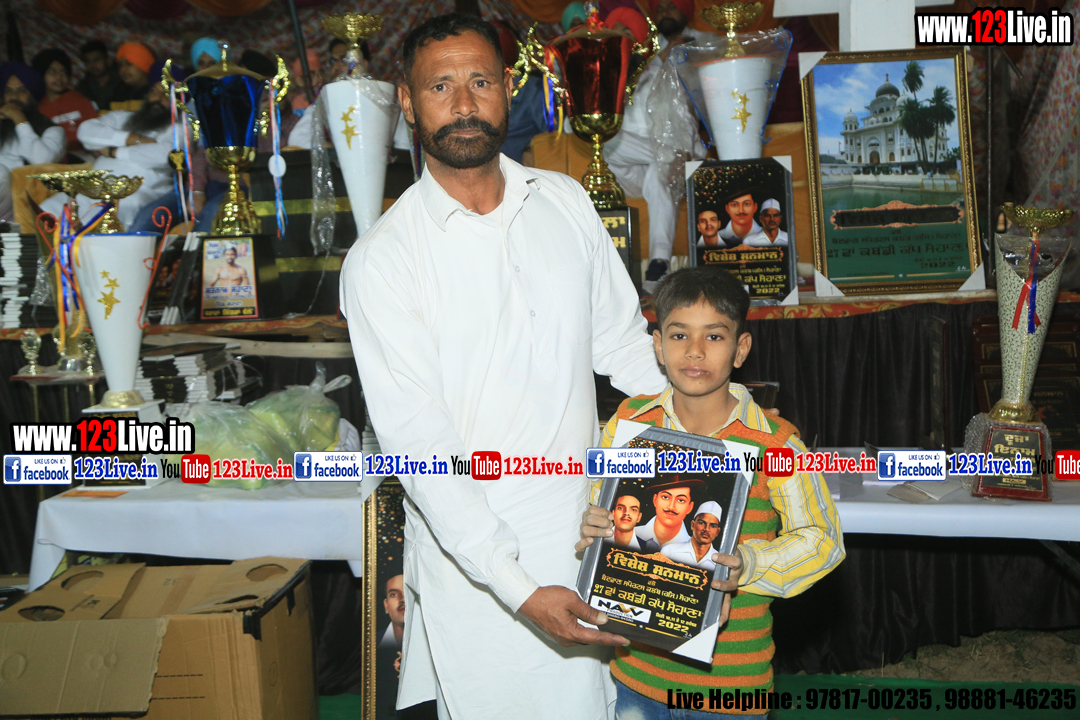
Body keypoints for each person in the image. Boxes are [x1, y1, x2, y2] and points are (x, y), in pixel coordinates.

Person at [339, 13, 666, 720]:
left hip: (597, 535)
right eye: (440, 87)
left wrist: (715, 435)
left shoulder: (565, 200)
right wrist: (517, 589)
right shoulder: (383, 260)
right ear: (407, 103)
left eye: (480, 82)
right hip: (481, 572)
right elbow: (420, 449)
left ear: (509, 87)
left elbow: (626, 350)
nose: (463, 104)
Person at [580, 267, 845, 719]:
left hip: (731, 686)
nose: (695, 350)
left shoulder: (776, 444)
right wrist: (595, 524)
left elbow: (823, 540)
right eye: (679, 335)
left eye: (715, 336)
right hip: (638, 677)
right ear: (658, 345)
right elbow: (599, 505)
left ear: (741, 349)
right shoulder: (629, 424)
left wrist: (748, 564)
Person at [41, 82, 172, 229]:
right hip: (94, 188)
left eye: (167, 94)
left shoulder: (178, 128)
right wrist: (130, 139)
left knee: (96, 221)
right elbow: (85, 130)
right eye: (154, 91)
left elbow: (165, 155)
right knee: (47, 210)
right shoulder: (122, 117)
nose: (158, 98)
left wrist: (113, 151)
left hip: (133, 193)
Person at [0, 62, 65, 221]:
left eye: (21, 91)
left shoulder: (52, 131)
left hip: (22, 203)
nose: (14, 97)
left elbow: (41, 160)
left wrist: (20, 120)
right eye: (8, 91)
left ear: (33, 96)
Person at [31, 49, 98, 160]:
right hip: (51, 160)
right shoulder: (36, 108)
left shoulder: (79, 100)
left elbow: (96, 132)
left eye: (63, 72)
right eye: (52, 72)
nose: (59, 77)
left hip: (83, 157)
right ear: (40, 75)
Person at [634, 476, 704, 553]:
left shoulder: (695, 550)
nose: (671, 507)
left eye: (681, 500)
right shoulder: (632, 535)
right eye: (665, 497)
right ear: (655, 500)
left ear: (689, 507)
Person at [662, 501, 723, 570]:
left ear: (717, 532)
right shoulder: (669, 552)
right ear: (692, 525)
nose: (706, 529)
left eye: (713, 526)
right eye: (702, 523)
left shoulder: (719, 564)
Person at [76, 40, 129, 112]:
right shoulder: (83, 87)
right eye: (88, 61)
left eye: (97, 59)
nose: (93, 65)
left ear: (108, 60)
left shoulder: (124, 79)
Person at [113, 42, 154, 112]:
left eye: (129, 64)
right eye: (120, 65)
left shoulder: (155, 95)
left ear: (144, 65)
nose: (123, 69)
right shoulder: (117, 93)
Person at [379, 573, 406, 648]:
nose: (403, 600)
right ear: (386, 605)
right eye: (394, 594)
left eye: (408, 593)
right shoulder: (372, 643)